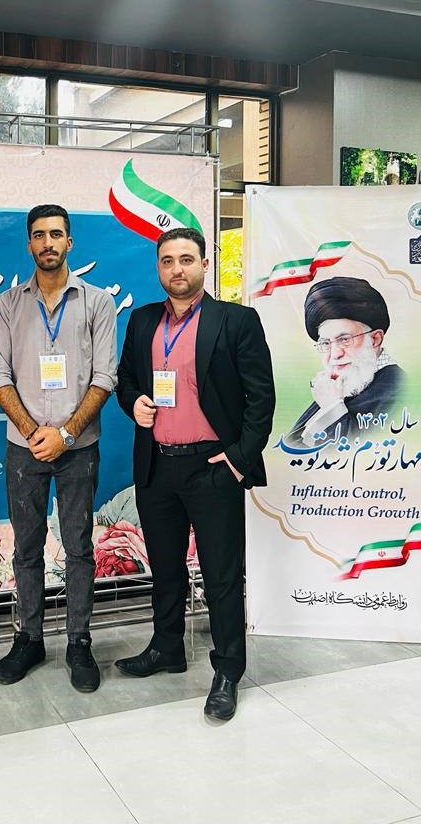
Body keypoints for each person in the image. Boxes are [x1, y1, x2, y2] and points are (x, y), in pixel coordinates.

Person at [115, 227, 274, 721]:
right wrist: (133, 402)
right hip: (157, 464)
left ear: (205, 264)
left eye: (186, 259)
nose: (176, 269)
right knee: (165, 568)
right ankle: (167, 648)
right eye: (167, 261)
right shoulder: (142, 320)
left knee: (221, 575)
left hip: (212, 467)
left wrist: (237, 459)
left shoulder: (236, 320)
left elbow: (261, 399)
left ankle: (227, 670)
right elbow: (126, 380)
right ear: (158, 268)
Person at [0, 204, 117, 693]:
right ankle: (30, 639)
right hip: (24, 448)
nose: (48, 243)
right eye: (39, 235)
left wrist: (64, 434)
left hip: (78, 447)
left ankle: (79, 641)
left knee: (79, 546)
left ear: (70, 242)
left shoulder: (98, 302)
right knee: (26, 547)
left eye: (56, 235)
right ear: (29, 244)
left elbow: (105, 376)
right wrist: (33, 432)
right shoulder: (8, 305)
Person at [286, 276, 405, 444]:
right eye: (326, 343)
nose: (335, 354)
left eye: (344, 339)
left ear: (375, 339)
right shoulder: (347, 384)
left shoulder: (398, 390)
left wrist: (332, 407)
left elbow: (355, 452)